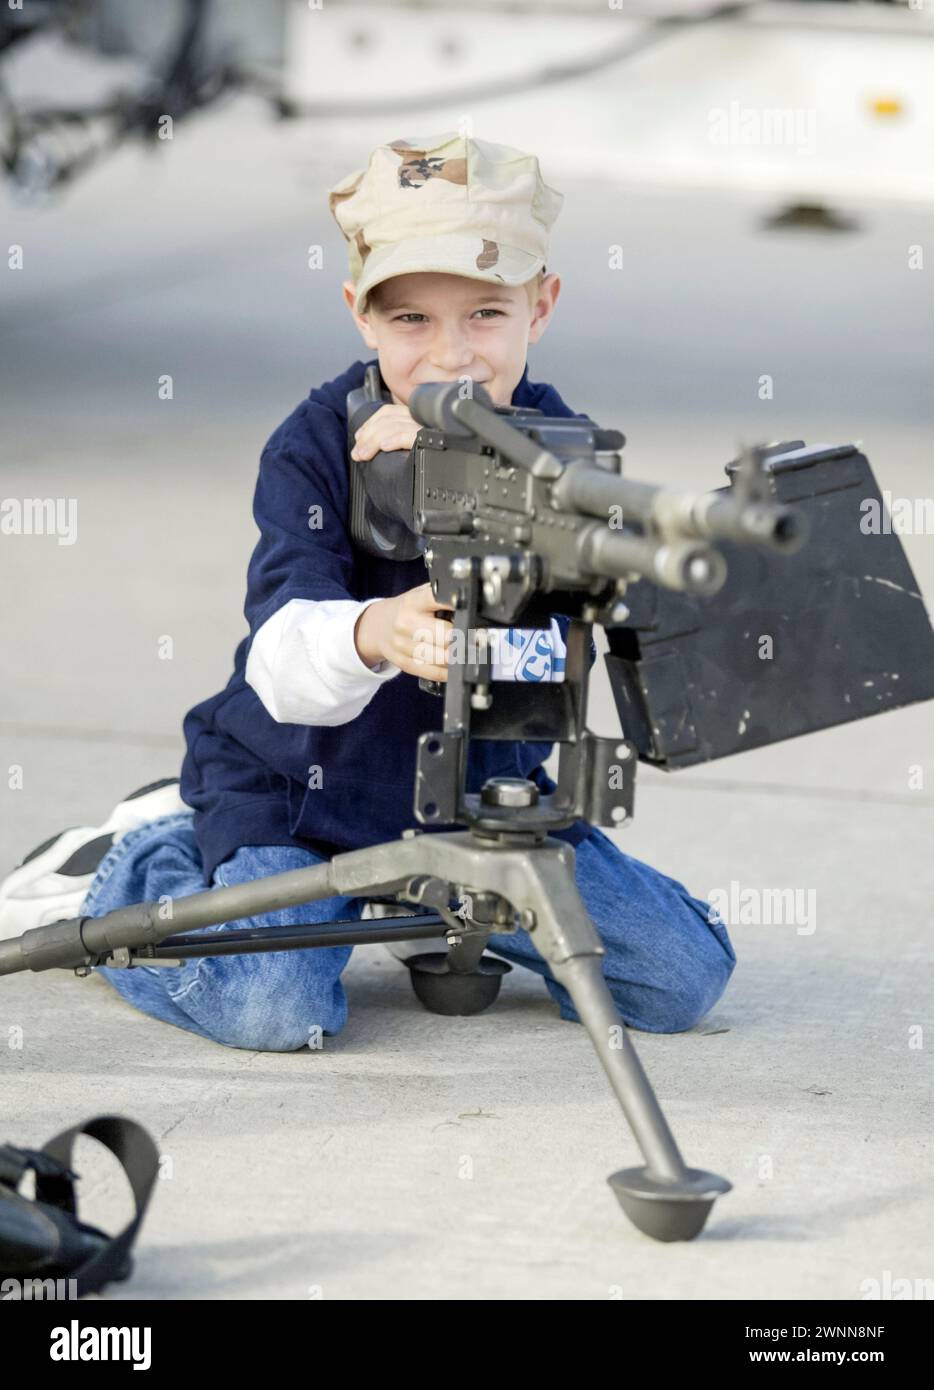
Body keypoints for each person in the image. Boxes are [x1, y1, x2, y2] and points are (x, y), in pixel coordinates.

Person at [0, 131, 736, 1052]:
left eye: (486, 314)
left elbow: (593, 634)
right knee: (275, 1009)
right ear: (360, 313)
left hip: (482, 808)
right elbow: (280, 650)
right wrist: (377, 633)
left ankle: (450, 917)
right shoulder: (314, 444)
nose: (452, 357)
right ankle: (136, 864)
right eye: (411, 321)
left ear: (540, 307)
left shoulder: (567, 453)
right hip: (297, 798)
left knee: (678, 979)